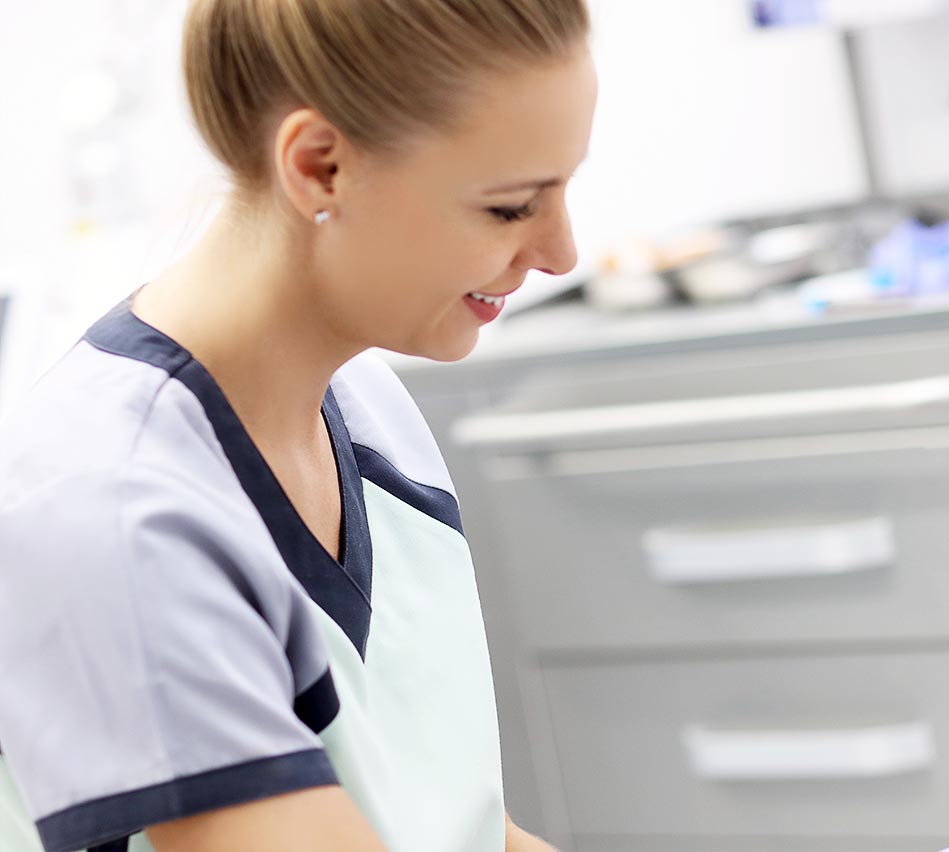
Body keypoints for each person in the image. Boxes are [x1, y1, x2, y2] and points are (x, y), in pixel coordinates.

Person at [0, 1, 592, 849]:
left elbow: (456, 822)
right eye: (509, 208)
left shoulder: (369, 408)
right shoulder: (116, 507)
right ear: (320, 167)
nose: (560, 251)